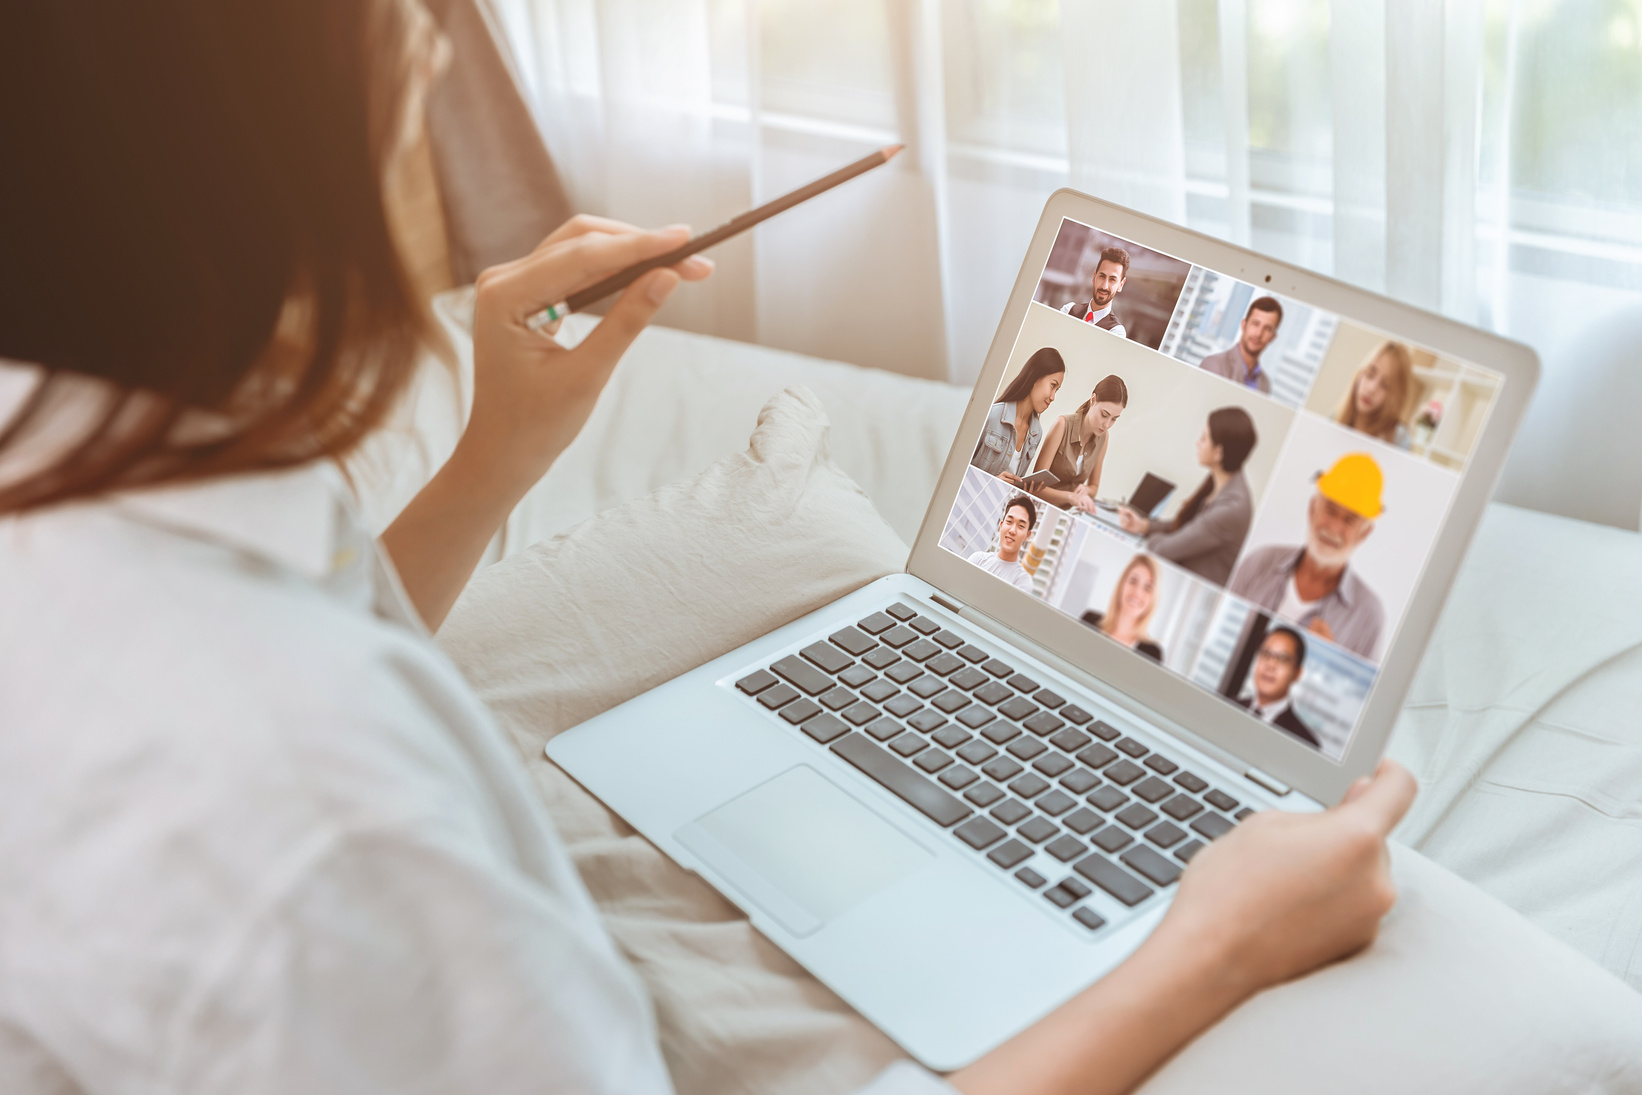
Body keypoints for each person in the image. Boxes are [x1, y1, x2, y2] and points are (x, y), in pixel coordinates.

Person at [0, 4, 1419, 1093]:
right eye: (403, 34)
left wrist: (502, 452)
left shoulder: (84, 476)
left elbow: (292, 616)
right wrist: (1214, 941)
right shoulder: (329, 818)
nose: (432, 64)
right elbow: (295, 717)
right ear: (264, 158)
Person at [1228, 454, 1388, 661]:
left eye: (1349, 520)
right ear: (1313, 509)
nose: (1334, 528)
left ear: (1364, 534)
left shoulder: (1369, 616)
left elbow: (1360, 693)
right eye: (1330, 510)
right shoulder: (1259, 562)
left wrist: (1324, 662)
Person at [1118, 406, 1257, 586]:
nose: (1197, 443)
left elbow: (1163, 549)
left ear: (1218, 453)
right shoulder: (1223, 483)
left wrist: (1154, 538)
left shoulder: (1231, 509)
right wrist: (1144, 526)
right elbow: (1190, 526)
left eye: (1204, 438)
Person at [1029, 374, 1128, 512]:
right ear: (1093, 400)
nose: (1107, 424)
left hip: (1070, 512)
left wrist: (1085, 490)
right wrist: (1070, 497)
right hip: (1039, 509)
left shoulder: (1103, 438)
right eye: (1104, 415)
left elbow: (1094, 487)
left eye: (1114, 419)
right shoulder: (1062, 425)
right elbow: (1035, 487)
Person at [971, 346, 1064, 484]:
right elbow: (958, 467)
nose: (1053, 397)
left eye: (1057, 390)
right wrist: (992, 482)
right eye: (1052, 386)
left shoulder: (1036, 434)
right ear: (1036, 377)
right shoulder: (991, 415)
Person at [1233, 626, 1321, 747]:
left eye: (1283, 659)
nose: (1271, 664)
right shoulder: (1229, 705)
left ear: (1297, 673)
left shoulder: (1305, 742)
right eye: (1266, 654)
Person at [1080, 554, 1165, 662]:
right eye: (1133, 581)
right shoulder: (1089, 621)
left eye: (1147, 588)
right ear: (1122, 584)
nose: (1137, 593)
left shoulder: (1152, 653)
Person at [1336, 341, 1415, 449]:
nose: (1371, 389)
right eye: (1370, 374)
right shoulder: (1334, 420)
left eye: (1385, 385)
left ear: (1396, 396)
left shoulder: (1399, 438)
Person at [1199, 296, 1283, 394]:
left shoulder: (1265, 384)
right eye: (1255, 324)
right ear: (1244, 325)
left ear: (1272, 337)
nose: (1259, 333)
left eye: (1267, 328)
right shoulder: (1214, 365)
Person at [968, 495, 1037, 592]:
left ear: (1027, 535)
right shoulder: (978, 559)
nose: (1012, 530)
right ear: (1001, 525)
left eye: (1021, 526)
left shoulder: (1022, 581)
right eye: (1009, 521)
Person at [1058, 246, 1130, 337]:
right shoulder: (1069, 309)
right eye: (1102, 276)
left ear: (1120, 285)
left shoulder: (1116, 332)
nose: (1104, 286)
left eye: (1112, 280)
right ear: (1094, 277)